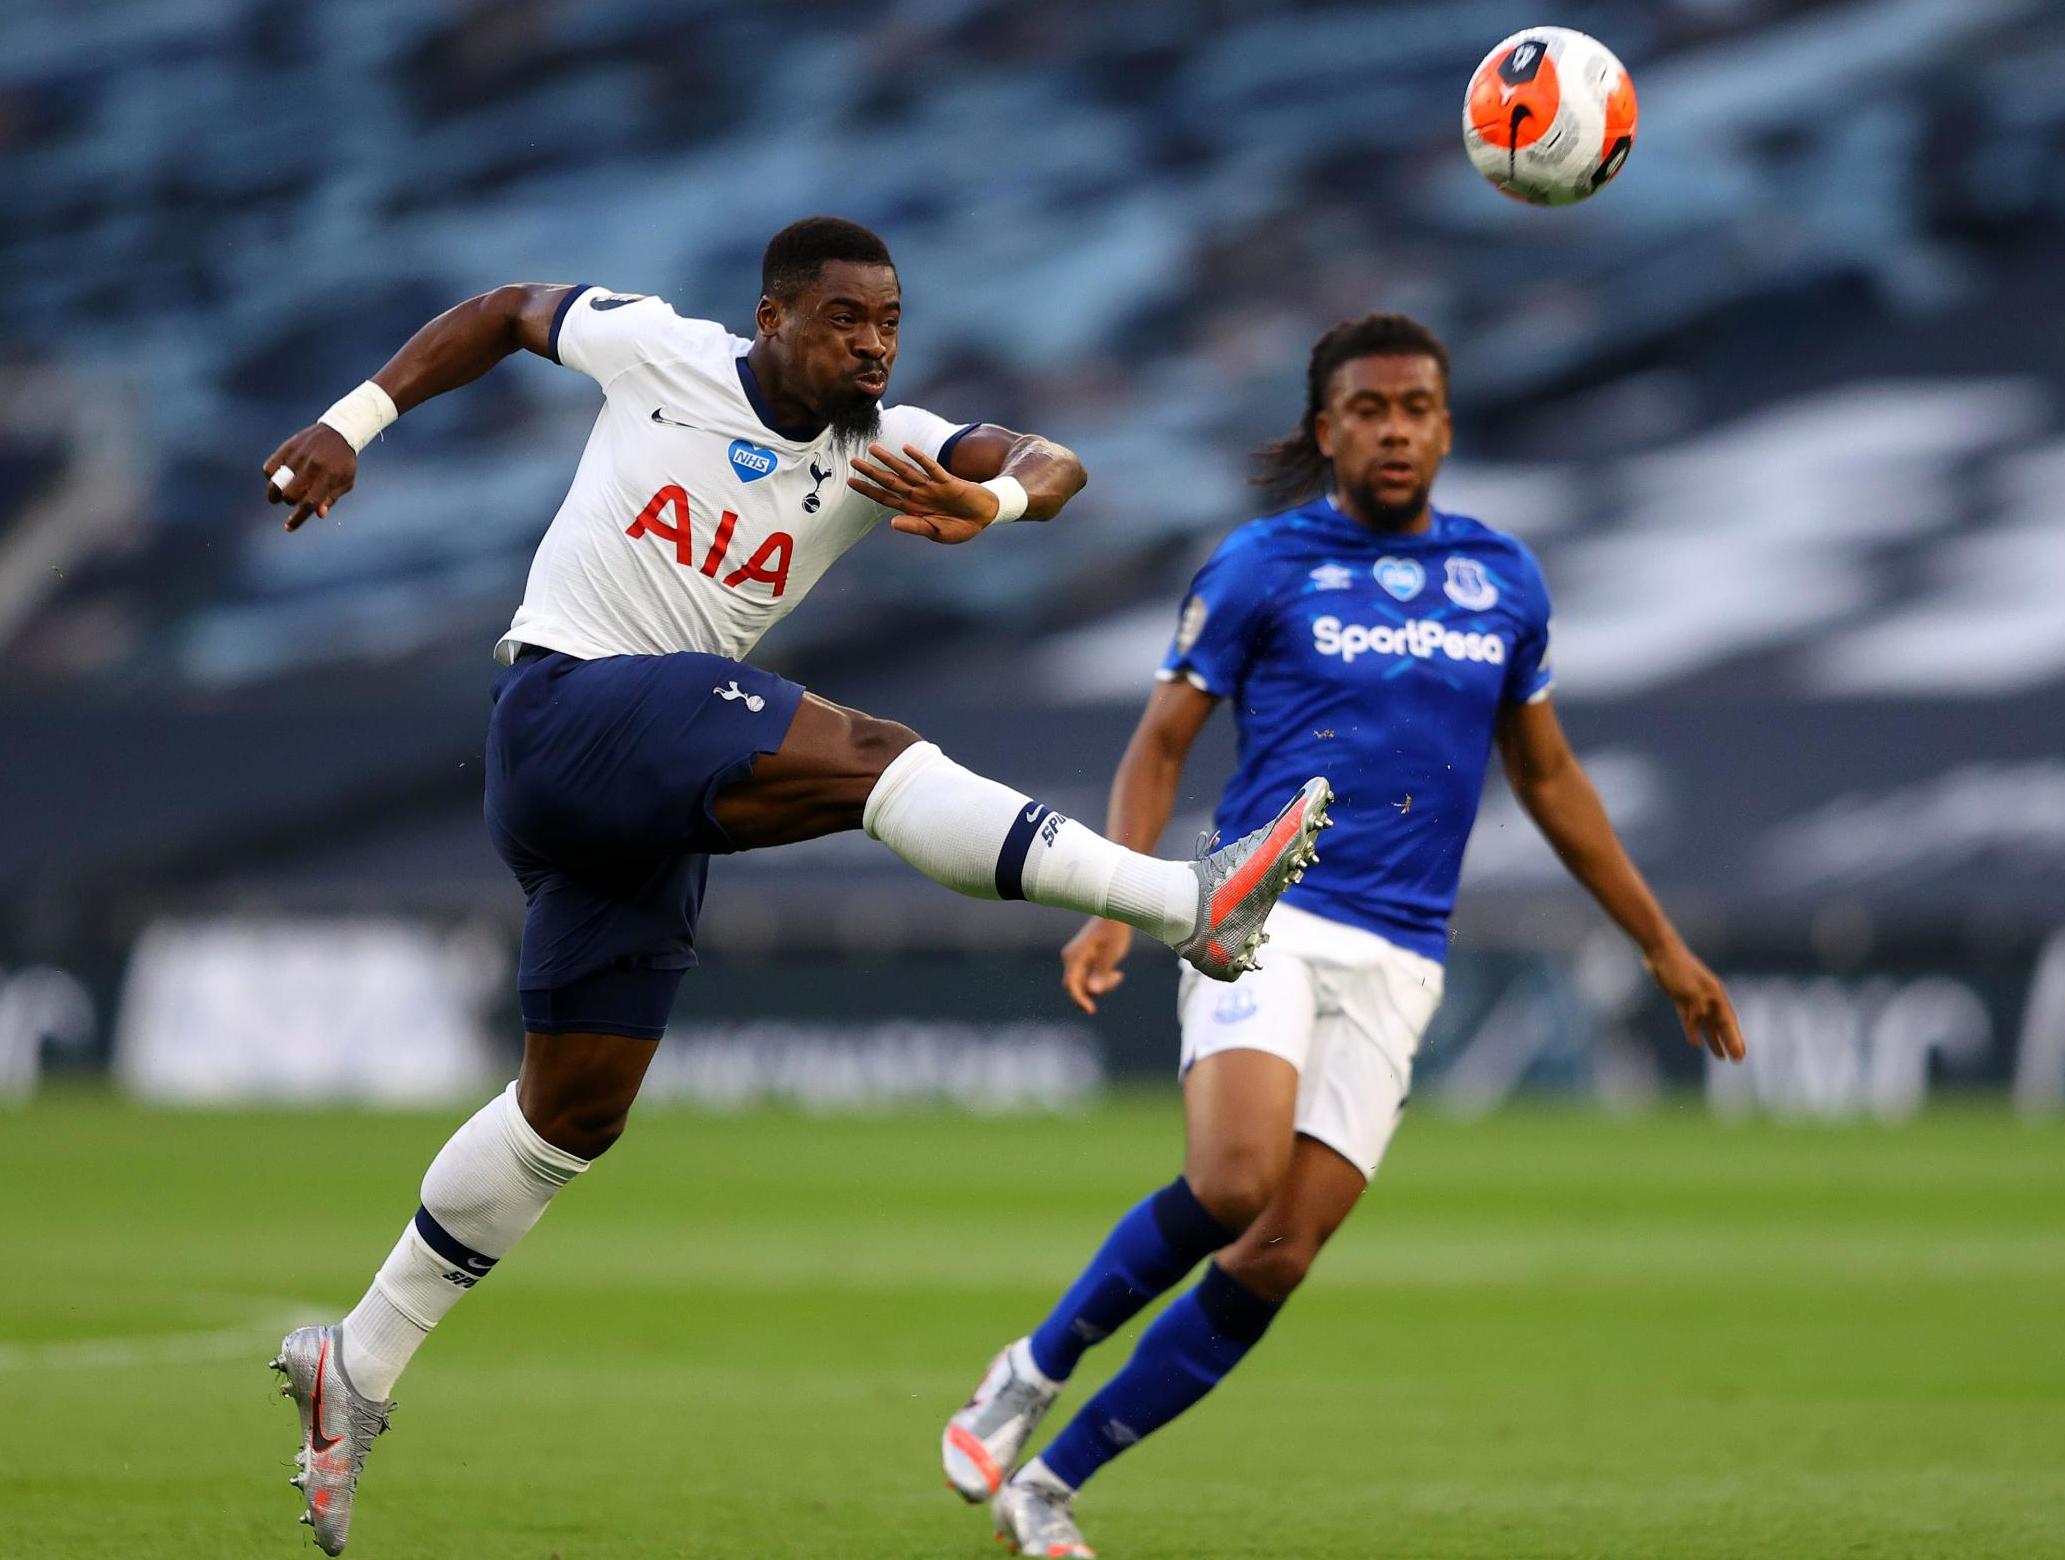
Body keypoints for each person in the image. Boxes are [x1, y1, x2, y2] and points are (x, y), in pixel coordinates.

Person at [259, 217, 1331, 1557]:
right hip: (566, 707)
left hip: (643, 797)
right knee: (868, 757)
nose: (873, 343)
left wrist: (994, 500)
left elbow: (1056, 463)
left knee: (573, 1114)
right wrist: (351, 420)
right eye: (844, 319)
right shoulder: (662, 351)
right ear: (773, 319)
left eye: (888, 320)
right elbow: (499, 309)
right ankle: (1186, 906)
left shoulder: (888, 447)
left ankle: (351, 1366)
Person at [944, 313, 1748, 1559]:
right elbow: (1160, 742)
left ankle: (1045, 1485)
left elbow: (1549, 780)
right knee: (1231, 1182)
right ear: (1326, 430)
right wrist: (1117, 903)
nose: (1393, 429)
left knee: (1276, 1255)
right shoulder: (1264, 565)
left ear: (1443, 425)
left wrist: (1659, 943)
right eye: (1367, 408)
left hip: (1401, 953)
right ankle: (1032, 1367)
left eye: (1416, 407)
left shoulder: (1501, 580)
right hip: (1262, 914)